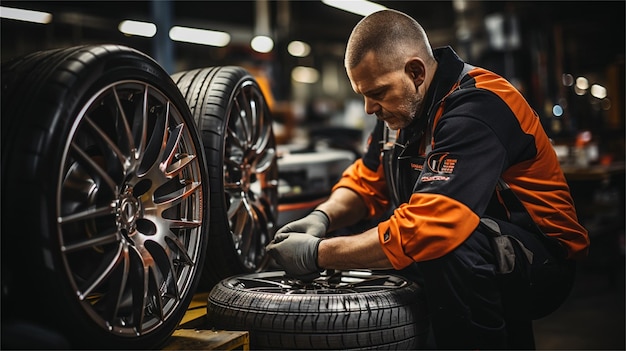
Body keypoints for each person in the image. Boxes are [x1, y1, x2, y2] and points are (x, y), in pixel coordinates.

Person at [266, 9, 589, 350]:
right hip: (486, 250)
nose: (368, 109)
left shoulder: (480, 106)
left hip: (541, 263)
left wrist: (318, 254)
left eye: (375, 93)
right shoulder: (401, 110)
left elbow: (433, 226)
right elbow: (365, 182)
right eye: (363, 94)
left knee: (447, 245)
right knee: (391, 242)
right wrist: (322, 218)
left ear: (416, 72)